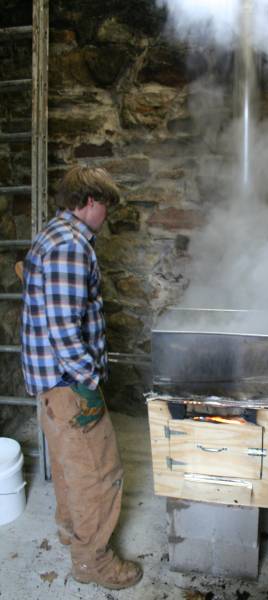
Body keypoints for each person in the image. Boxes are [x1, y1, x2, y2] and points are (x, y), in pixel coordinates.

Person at [20, 166, 143, 590]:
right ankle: (94, 563)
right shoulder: (71, 247)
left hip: (51, 389)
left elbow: (44, 296)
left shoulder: (51, 234)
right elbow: (64, 331)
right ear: (90, 201)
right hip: (70, 387)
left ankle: (71, 531)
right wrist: (89, 383)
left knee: (69, 467)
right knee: (99, 473)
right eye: (105, 206)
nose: (107, 215)